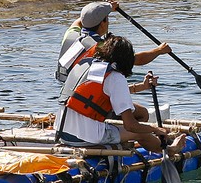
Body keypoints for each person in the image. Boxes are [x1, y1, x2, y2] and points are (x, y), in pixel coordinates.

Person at [55, 35, 185, 155]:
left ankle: (121, 139)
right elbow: (130, 125)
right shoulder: (116, 77)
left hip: (62, 132)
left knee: (139, 114)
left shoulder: (91, 66)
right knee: (141, 134)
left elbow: (101, 93)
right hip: (84, 138)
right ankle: (171, 150)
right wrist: (155, 129)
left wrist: (142, 87)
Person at [56, 0, 172, 122]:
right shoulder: (102, 49)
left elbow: (82, 20)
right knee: (142, 113)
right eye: (107, 18)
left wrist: (106, 8)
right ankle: (126, 138)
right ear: (102, 23)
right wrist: (159, 50)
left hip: (67, 100)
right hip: (88, 106)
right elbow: (137, 59)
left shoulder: (71, 35)